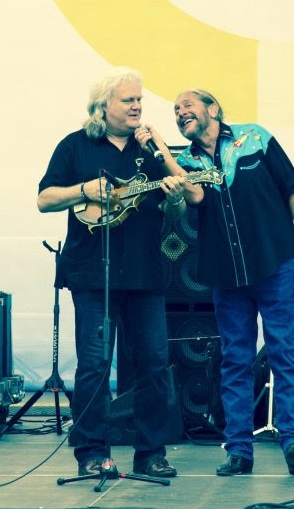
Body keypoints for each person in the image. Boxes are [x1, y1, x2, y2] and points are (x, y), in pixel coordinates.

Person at [143, 89, 294, 476]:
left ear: (213, 109)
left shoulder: (255, 137)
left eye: (187, 105)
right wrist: (160, 147)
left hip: (275, 264)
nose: (180, 112)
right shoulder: (187, 161)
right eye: (176, 110)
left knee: (284, 354)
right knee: (235, 361)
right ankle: (239, 450)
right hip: (226, 277)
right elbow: (193, 195)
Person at [37, 67, 189, 478]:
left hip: (145, 274)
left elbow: (177, 207)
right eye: (128, 100)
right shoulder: (75, 146)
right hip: (91, 275)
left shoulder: (150, 153)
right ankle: (91, 453)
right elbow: (44, 198)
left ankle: (151, 453)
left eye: (140, 99)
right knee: (94, 366)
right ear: (104, 106)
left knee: (155, 364)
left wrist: (175, 200)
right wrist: (83, 190)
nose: (138, 105)